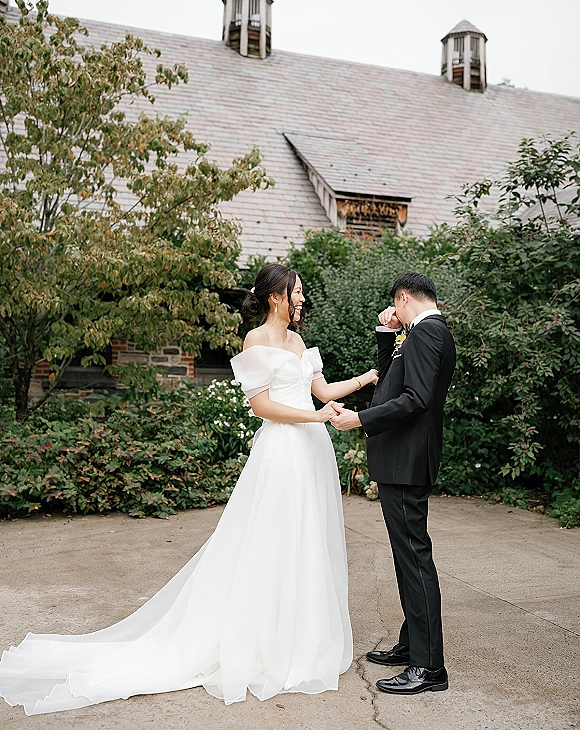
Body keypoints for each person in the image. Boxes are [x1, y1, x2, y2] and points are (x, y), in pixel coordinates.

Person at [0, 263, 378, 716]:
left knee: (307, 542)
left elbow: (320, 390)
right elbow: (263, 406)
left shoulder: (299, 342)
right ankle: (259, 641)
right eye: (296, 293)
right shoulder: (255, 341)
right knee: (270, 541)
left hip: (313, 453)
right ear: (276, 296)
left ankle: (299, 638)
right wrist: (314, 418)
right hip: (281, 453)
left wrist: (367, 379)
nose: (302, 299)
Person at [330, 272, 456, 695]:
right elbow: (390, 383)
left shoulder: (428, 334)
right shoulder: (422, 333)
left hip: (406, 462)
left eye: (394, 308)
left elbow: (416, 399)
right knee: (408, 560)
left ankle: (428, 667)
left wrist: (360, 419)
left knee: (415, 561)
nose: (394, 314)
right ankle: (411, 644)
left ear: (403, 298)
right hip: (402, 461)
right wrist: (388, 332)